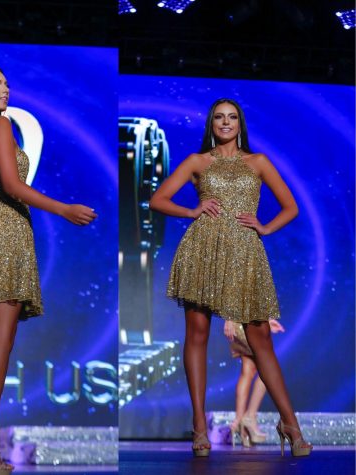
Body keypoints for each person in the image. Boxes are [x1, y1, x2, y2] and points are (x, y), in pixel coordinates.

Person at [0, 66, 97, 474]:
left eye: (7, 84)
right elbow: (11, 186)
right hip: (4, 230)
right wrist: (62, 208)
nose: (6, 90)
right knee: (0, 343)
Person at [149, 98, 312, 458]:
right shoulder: (197, 162)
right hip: (203, 251)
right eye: (219, 118)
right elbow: (157, 200)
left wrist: (266, 227)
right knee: (197, 334)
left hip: (245, 255)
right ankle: (200, 426)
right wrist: (191, 210)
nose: (225, 123)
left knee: (260, 341)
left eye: (232, 117)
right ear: (211, 123)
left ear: (240, 124)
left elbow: (292, 206)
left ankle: (289, 424)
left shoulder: (258, 162)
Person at [224, 319, 285, 447]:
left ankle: (240, 421)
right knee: (268, 369)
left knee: (248, 370)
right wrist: (229, 318)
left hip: (245, 320)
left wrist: (267, 321)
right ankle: (249, 416)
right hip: (248, 321)